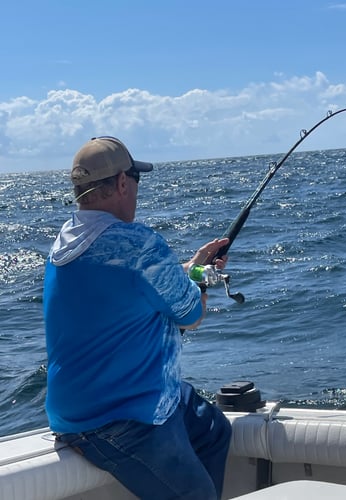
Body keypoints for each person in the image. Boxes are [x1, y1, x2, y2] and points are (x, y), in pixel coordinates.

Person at [43, 136, 232, 500]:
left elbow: (127, 286)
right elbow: (190, 315)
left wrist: (189, 268)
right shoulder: (138, 246)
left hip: (93, 404)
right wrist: (200, 280)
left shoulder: (66, 240)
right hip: (117, 419)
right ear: (122, 182)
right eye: (136, 181)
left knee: (213, 431)